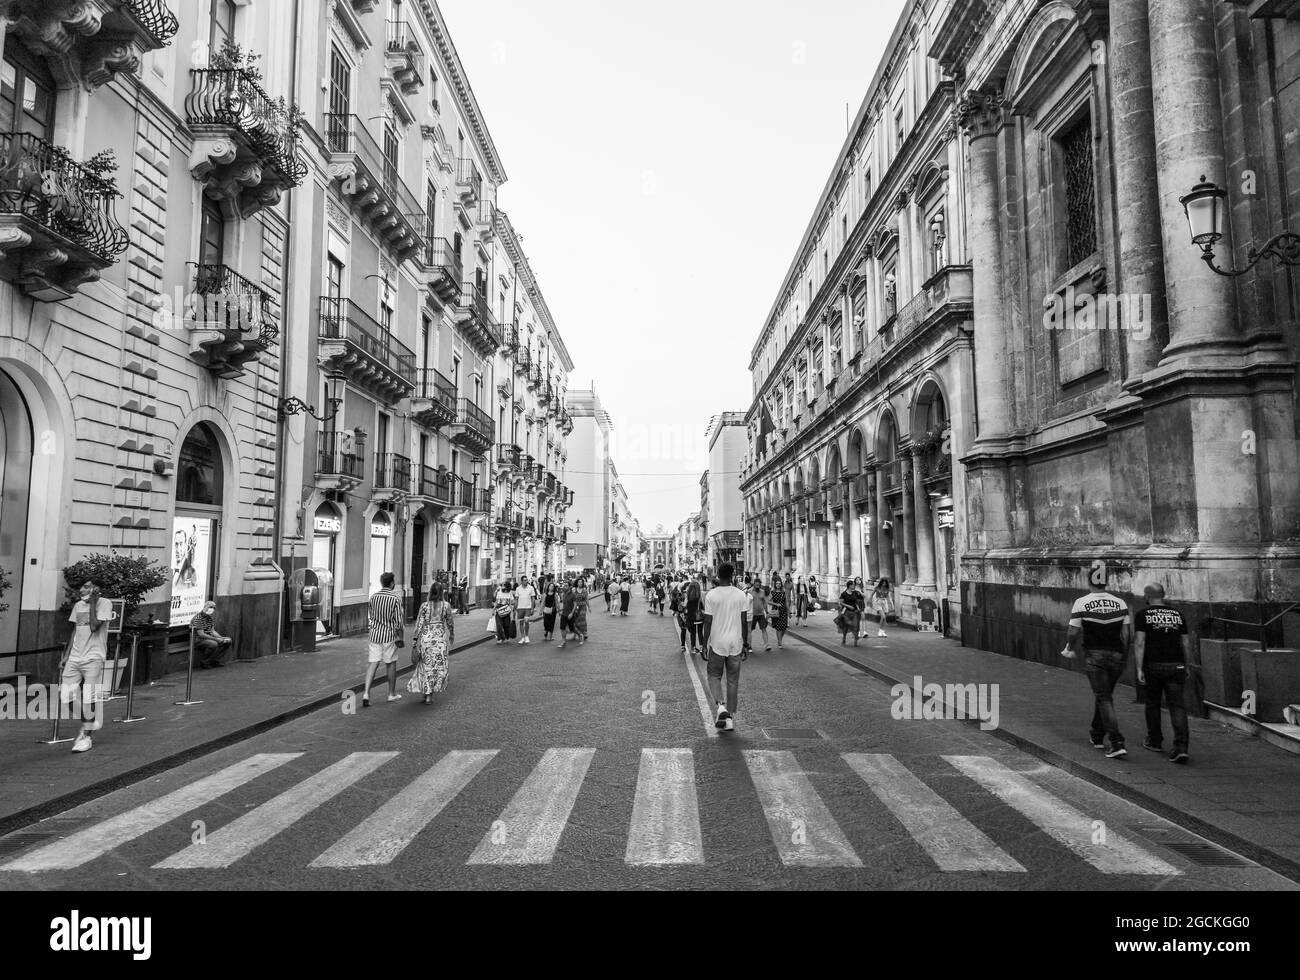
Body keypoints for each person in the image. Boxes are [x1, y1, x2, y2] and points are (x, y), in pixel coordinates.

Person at [1061, 572, 1133, 759]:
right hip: (1117, 655)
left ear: (1090, 582)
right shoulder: (1120, 603)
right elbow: (1126, 635)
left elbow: (1073, 630)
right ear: (1106, 582)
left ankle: (1116, 741)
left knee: (1103, 697)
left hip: (1095, 655)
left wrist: (1070, 646)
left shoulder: (1082, 602)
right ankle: (1097, 735)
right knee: (1104, 696)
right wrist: (1123, 658)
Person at [1134, 584, 1191, 764]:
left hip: (1154, 665)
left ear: (1147, 596)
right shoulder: (1177, 615)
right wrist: (1187, 665)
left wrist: (1138, 668)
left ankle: (1155, 740)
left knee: (1153, 703)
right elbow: (1186, 643)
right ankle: (1181, 747)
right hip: (1176, 665)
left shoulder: (1143, 615)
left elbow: (1140, 642)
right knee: (1177, 706)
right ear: (1163, 595)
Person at [62, 581, 114, 753]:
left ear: (95, 588)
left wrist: (93, 603)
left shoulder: (105, 603)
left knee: (88, 697)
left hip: (93, 657)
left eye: (86, 586)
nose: (81, 590)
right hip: (75, 657)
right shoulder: (77, 605)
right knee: (65, 695)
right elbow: (75, 630)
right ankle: (88, 722)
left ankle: (86, 737)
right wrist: (67, 655)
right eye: (81, 587)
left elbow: (93, 627)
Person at [701, 562, 750, 733]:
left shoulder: (711, 595)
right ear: (732, 576)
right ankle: (729, 718)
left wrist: (704, 643)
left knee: (713, 675)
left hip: (717, 643)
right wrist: (745, 643)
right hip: (735, 643)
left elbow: (707, 621)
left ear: (717, 575)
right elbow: (744, 621)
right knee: (732, 681)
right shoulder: (740, 595)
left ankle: (721, 707)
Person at [407, 582, 454, 704]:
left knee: (426, 666)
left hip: (426, 639)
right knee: (437, 667)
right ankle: (429, 694)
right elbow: (450, 622)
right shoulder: (446, 605)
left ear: (430, 592)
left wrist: (414, 639)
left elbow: (419, 624)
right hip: (440, 641)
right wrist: (452, 634)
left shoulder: (424, 606)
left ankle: (427, 693)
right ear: (441, 593)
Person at [363, 572, 404, 708]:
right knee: (390, 663)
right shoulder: (395, 599)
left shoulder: (373, 597)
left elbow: (371, 615)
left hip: (374, 634)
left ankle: (366, 693)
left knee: (373, 663)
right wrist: (400, 637)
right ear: (392, 583)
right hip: (389, 635)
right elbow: (398, 622)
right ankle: (391, 694)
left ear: (382, 583)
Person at [191, 600, 233, 668]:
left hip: (208, 637)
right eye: (210, 607)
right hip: (198, 639)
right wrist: (216, 639)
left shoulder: (210, 617)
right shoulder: (198, 618)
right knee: (213, 644)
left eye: (214, 608)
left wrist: (221, 638)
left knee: (228, 641)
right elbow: (201, 634)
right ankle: (205, 662)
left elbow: (212, 631)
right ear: (205, 607)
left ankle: (215, 660)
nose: (212, 609)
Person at [837, 578, 864, 646]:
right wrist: (848, 606)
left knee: (856, 626)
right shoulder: (844, 594)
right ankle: (844, 637)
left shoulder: (855, 593)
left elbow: (860, 599)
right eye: (853, 585)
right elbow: (841, 602)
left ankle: (855, 640)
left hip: (855, 612)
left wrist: (859, 608)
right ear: (849, 586)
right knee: (846, 626)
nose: (854, 586)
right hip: (848, 612)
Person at [769, 572, 790, 649]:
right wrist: (775, 604)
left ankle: (780, 639)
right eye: (777, 583)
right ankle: (779, 642)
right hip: (776, 611)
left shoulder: (783, 592)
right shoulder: (773, 592)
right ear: (775, 584)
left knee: (784, 627)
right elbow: (768, 601)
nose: (778, 585)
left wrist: (789, 611)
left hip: (783, 611)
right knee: (778, 627)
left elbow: (787, 602)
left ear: (781, 584)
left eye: (779, 583)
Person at [750, 583, 772, 652]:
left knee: (764, 629)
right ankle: (749, 646)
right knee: (750, 630)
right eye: (756, 585)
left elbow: (765, 603)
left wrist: (767, 612)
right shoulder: (750, 592)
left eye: (758, 585)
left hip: (761, 614)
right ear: (754, 585)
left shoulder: (762, 592)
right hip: (752, 614)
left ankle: (766, 644)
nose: (757, 586)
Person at [515, 575, 536, 645]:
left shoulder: (531, 588)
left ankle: (526, 636)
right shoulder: (518, 589)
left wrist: (532, 608)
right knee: (521, 623)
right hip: (520, 607)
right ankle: (522, 637)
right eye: (524, 580)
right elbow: (516, 599)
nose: (526, 581)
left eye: (526, 580)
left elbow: (533, 599)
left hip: (528, 607)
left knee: (526, 621)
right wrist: (515, 608)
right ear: (521, 581)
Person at [572, 577, 590, 644]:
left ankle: (584, 633)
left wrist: (589, 607)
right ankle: (577, 633)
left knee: (582, 619)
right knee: (576, 620)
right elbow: (572, 598)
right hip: (575, 606)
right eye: (579, 582)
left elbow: (586, 599)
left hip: (583, 606)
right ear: (577, 583)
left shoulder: (584, 590)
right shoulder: (574, 589)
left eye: (581, 582)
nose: (580, 583)